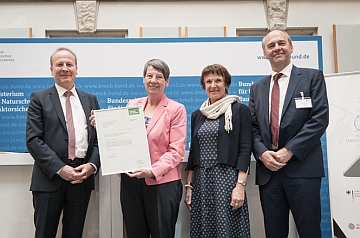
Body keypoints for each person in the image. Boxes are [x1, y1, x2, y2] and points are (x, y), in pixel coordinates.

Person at [91, 59, 187, 238]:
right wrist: (103, 127)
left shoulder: (176, 109)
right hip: (131, 182)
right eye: (149, 75)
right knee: (135, 233)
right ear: (143, 79)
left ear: (167, 81)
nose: (153, 80)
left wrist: (151, 170)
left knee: (162, 234)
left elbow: (176, 152)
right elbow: (122, 137)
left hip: (162, 184)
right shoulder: (132, 105)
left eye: (159, 77)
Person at [248, 30, 329, 238]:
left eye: (281, 43)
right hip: (269, 173)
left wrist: (289, 151)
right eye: (271, 46)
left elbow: (319, 119)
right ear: (264, 54)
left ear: (291, 48)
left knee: (309, 231)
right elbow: (252, 127)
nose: (277, 48)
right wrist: (262, 154)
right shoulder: (257, 88)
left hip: (303, 169)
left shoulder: (312, 77)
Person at [26, 47, 100, 238]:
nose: (65, 68)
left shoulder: (90, 100)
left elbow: (99, 140)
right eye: (59, 64)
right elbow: (33, 140)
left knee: (74, 234)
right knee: (44, 233)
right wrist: (61, 169)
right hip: (49, 179)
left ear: (77, 69)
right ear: (51, 70)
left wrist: (91, 166)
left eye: (69, 64)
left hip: (81, 179)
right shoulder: (39, 98)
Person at [185, 64, 252, 238]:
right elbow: (193, 153)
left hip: (227, 180)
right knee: (204, 229)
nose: (213, 85)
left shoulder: (239, 110)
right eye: (208, 81)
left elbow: (245, 150)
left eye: (218, 80)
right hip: (201, 182)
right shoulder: (197, 115)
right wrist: (189, 186)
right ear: (203, 85)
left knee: (227, 230)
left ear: (226, 84)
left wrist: (240, 186)